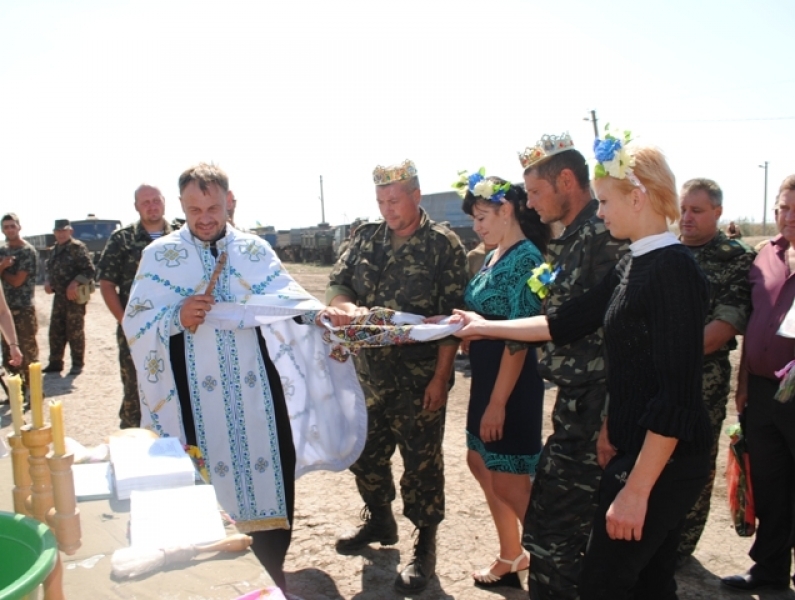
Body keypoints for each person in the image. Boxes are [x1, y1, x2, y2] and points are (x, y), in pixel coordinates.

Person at [455, 135, 712, 600]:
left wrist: (635, 491)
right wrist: (486, 326)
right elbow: (566, 320)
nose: (600, 211)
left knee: (603, 583)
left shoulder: (672, 270)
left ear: (637, 197)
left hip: (662, 460)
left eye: (607, 200)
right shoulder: (636, 261)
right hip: (633, 445)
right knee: (648, 583)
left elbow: (677, 398)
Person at [122, 163, 364, 599]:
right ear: (181, 206)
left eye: (213, 206)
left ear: (227, 201)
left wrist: (323, 314)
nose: (205, 217)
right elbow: (135, 321)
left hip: (258, 398)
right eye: (194, 208)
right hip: (196, 404)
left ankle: (269, 579)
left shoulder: (254, 251)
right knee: (205, 495)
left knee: (270, 485)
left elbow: (289, 300)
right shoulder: (159, 257)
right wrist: (176, 316)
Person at [325, 159, 468, 594]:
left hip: (418, 377)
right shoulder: (365, 237)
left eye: (395, 200)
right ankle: (380, 518)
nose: (388, 209)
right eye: (381, 201)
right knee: (364, 453)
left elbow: (454, 319)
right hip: (367, 374)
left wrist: (441, 379)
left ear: (416, 195)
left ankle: (424, 547)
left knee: (421, 466)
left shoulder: (444, 245)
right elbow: (339, 282)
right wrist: (344, 305)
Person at [517, 133, 627, 600]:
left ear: (567, 180)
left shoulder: (603, 236)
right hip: (574, 409)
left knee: (563, 542)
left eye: (536, 192)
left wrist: (612, 420)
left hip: (600, 409)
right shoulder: (570, 238)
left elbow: (627, 332)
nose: (530, 203)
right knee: (553, 536)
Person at [454, 170, 550, 588]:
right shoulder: (494, 255)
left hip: (510, 386)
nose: (476, 227)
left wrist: (497, 403)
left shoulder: (528, 259)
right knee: (481, 463)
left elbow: (519, 339)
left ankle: (558, 567)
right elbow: (488, 318)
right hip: (486, 379)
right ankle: (512, 555)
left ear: (506, 210)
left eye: (482, 217)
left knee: (511, 482)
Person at [721, 175, 795, 592]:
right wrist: (743, 382)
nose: (789, 216)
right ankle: (768, 571)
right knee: (769, 483)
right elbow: (754, 323)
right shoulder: (765, 255)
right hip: (766, 393)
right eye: (783, 208)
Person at [676, 178, 755, 566]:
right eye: (683, 209)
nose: (686, 218)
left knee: (695, 462)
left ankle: (680, 548)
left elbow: (726, 324)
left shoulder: (733, 257)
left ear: (718, 213)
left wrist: (664, 352)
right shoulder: (667, 250)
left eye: (697, 210)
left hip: (701, 379)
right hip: (653, 376)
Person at [97, 184, 173, 428]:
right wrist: (124, 320)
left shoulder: (183, 234)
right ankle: (131, 445)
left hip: (178, 326)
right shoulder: (122, 239)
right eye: (145, 202)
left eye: (155, 200)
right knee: (135, 390)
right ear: (137, 207)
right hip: (136, 330)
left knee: (177, 388)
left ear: (164, 201)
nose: (152, 206)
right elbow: (107, 283)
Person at [43, 219, 95, 376]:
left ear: (70, 231)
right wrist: (47, 281)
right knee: (55, 330)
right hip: (59, 297)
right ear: (54, 233)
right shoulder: (53, 250)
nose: (61, 234)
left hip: (74, 297)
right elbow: (49, 270)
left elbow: (89, 270)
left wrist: (75, 283)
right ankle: (55, 363)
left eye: (63, 231)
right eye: (58, 231)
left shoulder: (77, 248)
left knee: (75, 331)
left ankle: (77, 364)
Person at [0, 213, 39, 397]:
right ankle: (17, 394)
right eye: (6, 227)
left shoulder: (27, 251)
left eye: (12, 226)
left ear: (19, 227)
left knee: (28, 352)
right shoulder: (2, 251)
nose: (9, 230)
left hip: (22, 309)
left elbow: (17, 281)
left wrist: (3, 271)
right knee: (9, 353)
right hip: (3, 310)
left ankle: (35, 393)